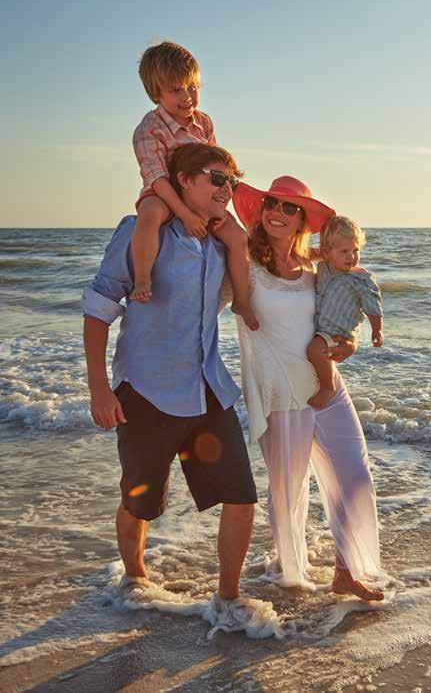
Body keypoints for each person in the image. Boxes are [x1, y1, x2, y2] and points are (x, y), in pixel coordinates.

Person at [81, 142, 257, 605]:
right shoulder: (141, 230)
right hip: (146, 392)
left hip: (208, 390)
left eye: (232, 182)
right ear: (184, 180)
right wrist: (99, 390)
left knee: (241, 497)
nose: (227, 189)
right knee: (140, 503)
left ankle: (230, 601)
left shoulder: (221, 242)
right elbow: (98, 310)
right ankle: (135, 581)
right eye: (217, 179)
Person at [232, 176, 384, 601]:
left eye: (289, 208)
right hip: (281, 395)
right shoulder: (244, 264)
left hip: (328, 387)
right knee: (289, 493)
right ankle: (292, 576)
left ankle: (346, 571)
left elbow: (341, 312)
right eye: (271, 204)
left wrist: (350, 341)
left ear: (302, 220)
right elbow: (205, 298)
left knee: (355, 476)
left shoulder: (317, 270)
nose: (277, 213)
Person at [130, 40, 258, 330]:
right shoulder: (148, 129)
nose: (187, 97)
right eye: (176, 90)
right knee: (149, 214)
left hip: (200, 196)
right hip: (165, 193)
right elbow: (157, 178)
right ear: (156, 93)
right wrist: (185, 214)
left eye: (193, 87)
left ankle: (241, 299)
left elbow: (216, 165)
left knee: (237, 237)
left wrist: (216, 208)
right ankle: (143, 278)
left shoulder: (204, 123)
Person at [306, 216, 384, 409]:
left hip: (338, 332)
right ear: (326, 253)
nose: (351, 257)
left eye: (355, 250)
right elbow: (303, 252)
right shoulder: (323, 267)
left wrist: (377, 330)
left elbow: (372, 307)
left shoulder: (360, 279)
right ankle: (321, 380)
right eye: (344, 251)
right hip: (320, 327)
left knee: (314, 350)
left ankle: (328, 387)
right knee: (316, 352)